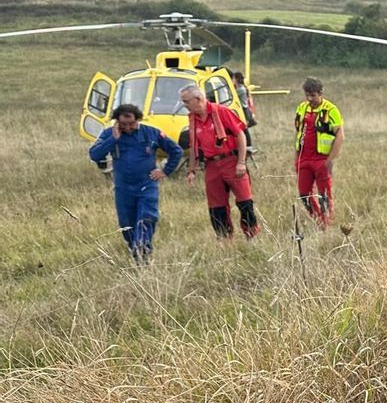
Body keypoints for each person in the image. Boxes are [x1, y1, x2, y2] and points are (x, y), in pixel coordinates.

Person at [88, 104, 182, 263]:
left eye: (131, 124)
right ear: (117, 122)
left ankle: (143, 251)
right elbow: (95, 155)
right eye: (123, 125)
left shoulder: (151, 132)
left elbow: (176, 150)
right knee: (126, 224)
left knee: (146, 218)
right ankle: (136, 253)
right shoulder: (109, 134)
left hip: (147, 185)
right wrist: (113, 139)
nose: (128, 128)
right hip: (123, 188)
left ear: (137, 120)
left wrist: (166, 171)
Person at [181, 84, 260, 239]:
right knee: (216, 208)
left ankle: (252, 236)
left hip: (231, 161)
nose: (184, 105)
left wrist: (241, 162)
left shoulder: (221, 111)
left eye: (186, 102)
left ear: (198, 99)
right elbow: (194, 146)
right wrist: (192, 170)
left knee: (245, 203)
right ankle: (224, 239)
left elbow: (240, 135)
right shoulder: (193, 119)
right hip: (211, 166)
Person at [293, 77, 343, 228]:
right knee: (304, 194)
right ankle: (318, 220)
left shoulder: (331, 110)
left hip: (321, 159)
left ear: (320, 93)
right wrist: (296, 158)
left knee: (324, 195)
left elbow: (340, 136)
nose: (310, 99)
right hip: (304, 159)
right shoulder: (302, 108)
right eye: (307, 95)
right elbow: (297, 133)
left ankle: (327, 224)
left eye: (313, 95)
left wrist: (329, 161)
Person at [231, 71, 257, 149]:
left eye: (233, 78)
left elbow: (232, 94)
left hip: (244, 110)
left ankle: (249, 145)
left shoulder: (241, 89)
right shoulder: (240, 88)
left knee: (244, 128)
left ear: (237, 79)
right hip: (242, 110)